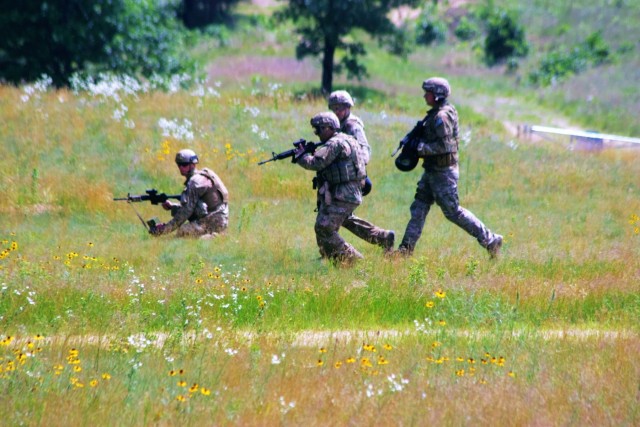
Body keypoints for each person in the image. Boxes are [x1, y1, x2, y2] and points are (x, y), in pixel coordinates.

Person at [396, 77, 503, 257]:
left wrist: (419, 148)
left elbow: (445, 147)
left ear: (437, 95)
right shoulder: (436, 113)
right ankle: (405, 250)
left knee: (453, 212)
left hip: (442, 174)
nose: (424, 96)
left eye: (427, 93)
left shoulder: (441, 116)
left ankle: (491, 240)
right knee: (419, 208)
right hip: (432, 171)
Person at [293, 112, 391, 265]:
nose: (317, 134)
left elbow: (316, 163)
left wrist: (301, 156)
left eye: (318, 130)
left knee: (324, 227)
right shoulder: (347, 139)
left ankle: (354, 260)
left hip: (342, 194)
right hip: (349, 192)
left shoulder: (334, 143)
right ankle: (382, 237)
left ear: (328, 128)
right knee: (345, 220)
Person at [328, 90, 394, 252]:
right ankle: (382, 237)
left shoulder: (352, 125)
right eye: (334, 108)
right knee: (342, 217)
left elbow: (364, 150)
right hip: (341, 178)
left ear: (348, 107)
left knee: (332, 216)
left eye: (340, 108)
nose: (337, 111)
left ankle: (331, 251)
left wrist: (356, 172)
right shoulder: (337, 125)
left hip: (352, 179)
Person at [150, 149, 229, 238]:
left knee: (183, 231)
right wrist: (173, 206)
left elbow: (185, 212)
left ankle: (214, 236)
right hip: (218, 219)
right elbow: (195, 206)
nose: (181, 168)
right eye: (179, 164)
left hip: (213, 221)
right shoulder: (202, 176)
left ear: (193, 164)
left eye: (184, 164)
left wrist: (164, 229)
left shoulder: (195, 182)